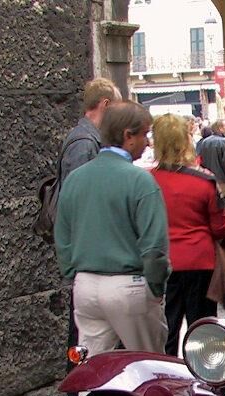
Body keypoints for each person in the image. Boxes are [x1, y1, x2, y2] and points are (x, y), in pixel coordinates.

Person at [54, 101, 169, 357]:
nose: (148, 142)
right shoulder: (140, 181)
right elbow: (154, 246)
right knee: (150, 364)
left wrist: (73, 272)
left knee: (92, 366)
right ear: (128, 136)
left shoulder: (76, 178)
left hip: (86, 284)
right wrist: (155, 289)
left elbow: (62, 236)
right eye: (144, 134)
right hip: (128, 285)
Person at [57, 78, 121, 396]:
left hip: (91, 256)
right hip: (89, 258)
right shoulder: (84, 143)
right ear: (106, 105)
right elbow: (80, 204)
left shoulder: (89, 141)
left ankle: (88, 395)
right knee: (85, 332)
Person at [150, 114, 225, 356]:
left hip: (164, 261)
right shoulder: (204, 181)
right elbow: (219, 229)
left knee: (168, 324)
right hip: (199, 260)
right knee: (202, 323)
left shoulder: (149, 180)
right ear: (185, 140)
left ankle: (167, 372)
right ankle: (204, 371)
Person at [196, 118, 225, 192]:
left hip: (208, 180)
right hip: (222, 181)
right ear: (220, 128)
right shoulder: (224, 142)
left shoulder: (204, 142)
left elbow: (200, 160)